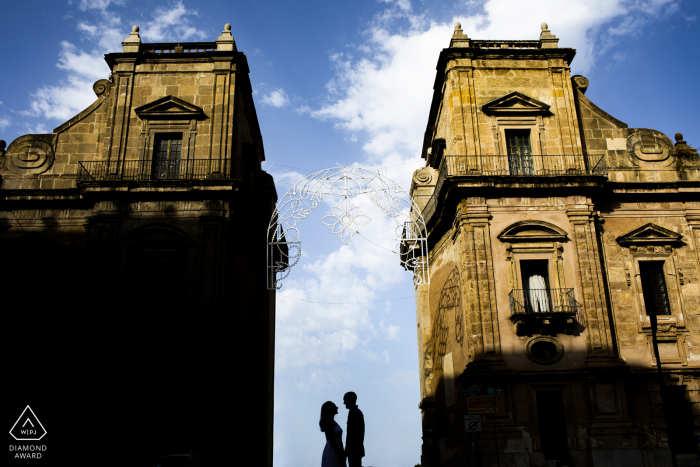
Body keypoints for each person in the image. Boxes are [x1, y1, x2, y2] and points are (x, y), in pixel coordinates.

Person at [320, 401, 346, 467]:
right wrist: (340, 454)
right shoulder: (329, 423)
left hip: (335, 449)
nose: (336, 408)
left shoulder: (331, 422)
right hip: (333, 450)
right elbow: (332, 440)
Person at [343, 392, 365, 467]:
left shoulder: (354, 413)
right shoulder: (356, 412)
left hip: (353, 450)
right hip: (355, 449)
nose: (344, 402)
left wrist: (347, 450)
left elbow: (351, 434)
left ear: (351, 400)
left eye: (345, 400)